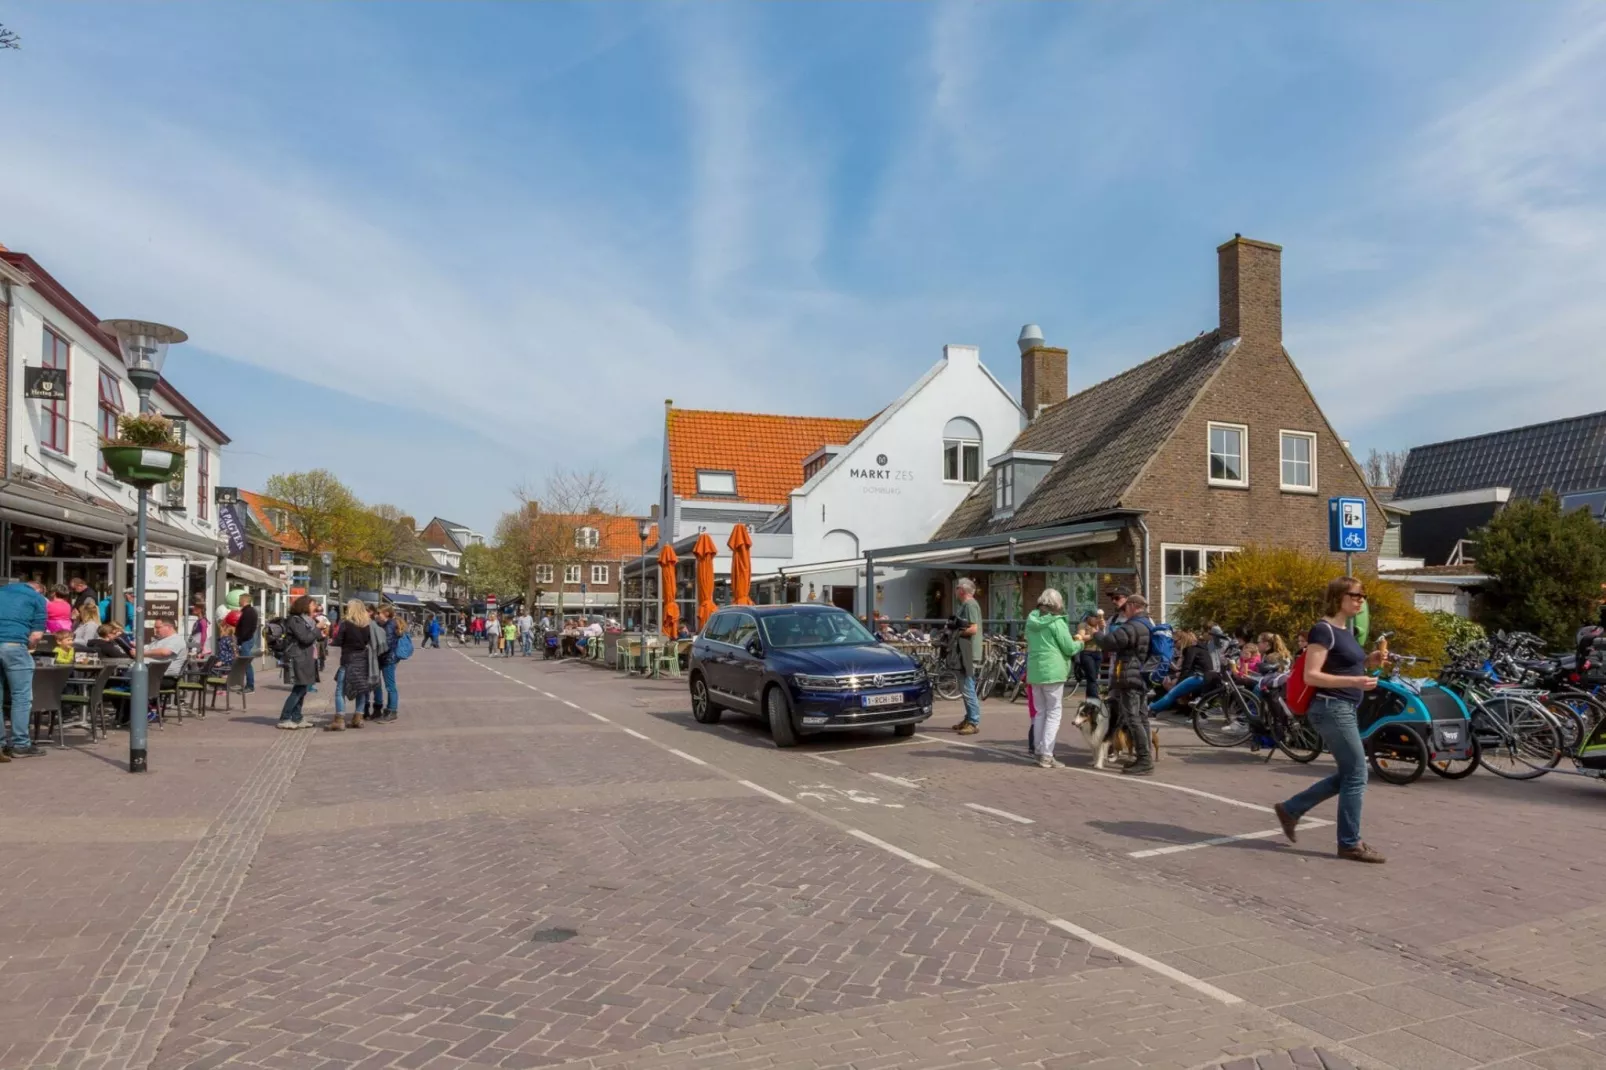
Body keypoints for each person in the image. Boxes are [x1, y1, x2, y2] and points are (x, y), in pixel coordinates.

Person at [1274, 577, 1389, 864]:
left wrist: (1369, 661)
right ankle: (1349, 843)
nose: (1361, 600)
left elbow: (1341, 663)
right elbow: (1311, 675)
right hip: (1331, 707)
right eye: (1356, 595)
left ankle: (1291, 809)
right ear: (1339, 596)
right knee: (1357, 774)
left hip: (1344, 707)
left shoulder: (1344, 631)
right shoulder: (1322, 630)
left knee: (1350, 773)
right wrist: (1355, 680)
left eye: (1363, 596)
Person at [1094, 592, 1157, 776]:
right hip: (1141, 675)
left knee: (1132, 718)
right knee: (1142, 717)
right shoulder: (1146, 623)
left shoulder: (1133, 626)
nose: (1124, 611)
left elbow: (1109, 642)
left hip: (1130, 676)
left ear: (1132, 606)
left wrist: (1096, 634)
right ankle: (1144, 757)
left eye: (1126, 607)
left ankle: (1144, 760)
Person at [1025, 588, 1087, 768]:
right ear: (1057, 605)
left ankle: (1038, 751)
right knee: (1053, 713)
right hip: (1053, 671)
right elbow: (1069, 648)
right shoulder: (1057, 622)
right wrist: (1081, 642)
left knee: (1040, 712)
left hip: (1035, 670)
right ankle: (1047, 754)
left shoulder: (1031, 620)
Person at [0, 579, 49, 759]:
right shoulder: (36, 599)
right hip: (14, 645)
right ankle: (20, 744)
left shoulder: (2, 592)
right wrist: (27, 645)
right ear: (39, 590)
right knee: (20, 697)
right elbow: (36, 635)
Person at [328, 599, 374, 731]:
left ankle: (339, 720)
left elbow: (338, 641)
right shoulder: (367, 624)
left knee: (340, 690)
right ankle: (358, 718)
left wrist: (331, 641)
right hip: (362, 659)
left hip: (348, 659)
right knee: (361, 689)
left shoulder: (346, 624)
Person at [279, 595, 321, 729]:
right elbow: (305, 638)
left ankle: (297, 717)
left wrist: (319, 629)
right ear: (305, 606)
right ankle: (285, 718)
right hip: (297, 658)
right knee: (298, 689)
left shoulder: (307, 621)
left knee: (303, 688)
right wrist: (316, 628)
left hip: (306, 658)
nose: (315, 607)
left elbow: (316, 637)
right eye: (313, 604)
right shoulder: (295, 620)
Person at [374, 605, 401, 722]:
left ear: (386, 614)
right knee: (386, 685)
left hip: (388, 659)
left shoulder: (390, 625)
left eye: (379, 613)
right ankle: (389, 709)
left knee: (390, 686)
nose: (377, 615)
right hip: (384, 658)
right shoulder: (384, 624)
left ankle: (393, 710)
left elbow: (387, 644)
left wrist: (376, 649)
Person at [235, 593, 259, 694]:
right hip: (247, 639)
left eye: (240, 599)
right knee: (245, 663)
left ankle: (250, 686)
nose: (238, 601)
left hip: (246, 640)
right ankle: (247, 685)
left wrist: (240, 640)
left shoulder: (248, 612)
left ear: (244, 600)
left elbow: (245, 629)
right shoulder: (250, 611)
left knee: (246, 663)